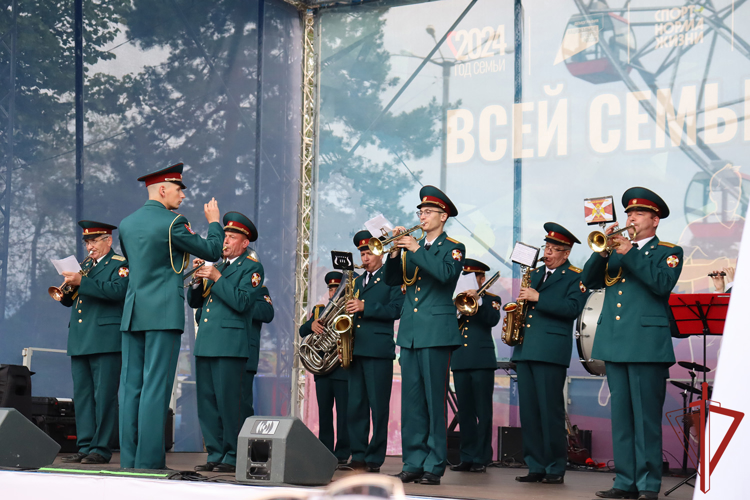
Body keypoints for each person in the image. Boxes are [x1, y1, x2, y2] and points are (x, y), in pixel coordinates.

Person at [118, 162, 224, 469]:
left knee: (131, 387)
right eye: (179, 189)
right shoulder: (173, 223)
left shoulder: (126, 224)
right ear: (162, 189)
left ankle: (129, 460)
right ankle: (149, 461)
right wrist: (214, 221)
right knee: (156, 385)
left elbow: (138, 264)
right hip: (162, 312)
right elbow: (212, 249)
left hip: (133, 311)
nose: (182, 196)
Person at [582, 188, 683, 500]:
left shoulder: (668, 251)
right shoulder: (614, 251)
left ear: (654, 220)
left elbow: (661, 284)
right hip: (614, 343)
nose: (630, 219)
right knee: (622, 419)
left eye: (638, 214)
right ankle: (624, 482)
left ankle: (649, 484)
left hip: (646, 346)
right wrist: (602, 252)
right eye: (628, 214)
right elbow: (589, 280)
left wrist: (630, 252)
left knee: (645, 420)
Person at [384, 185, 465, 486]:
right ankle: (413, 462)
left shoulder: (453, 247)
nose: (422, 216)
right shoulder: (411, 246)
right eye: (420, 211)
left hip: (437, 333)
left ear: (443, 217)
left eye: (428, 212)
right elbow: (392, 280)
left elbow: (445, 275)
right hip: (411, 334)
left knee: (434, 402)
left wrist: (415, 249)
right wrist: (394, 250)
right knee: (412, 404)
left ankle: (434, 464)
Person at [511, 223, 588, 485]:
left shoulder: (575, 276)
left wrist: (537, 298)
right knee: (530, 412)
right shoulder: (533, 274)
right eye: (546, 247)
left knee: (550, 411)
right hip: (526, 349)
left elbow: (572, 308)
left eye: (554, 249)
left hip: (550, 352)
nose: (548, 253)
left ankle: (555, 467)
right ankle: (535, 465)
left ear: (566, 254)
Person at [187, 211, 265, 473]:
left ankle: (233, 455)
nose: (226, 241)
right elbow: (195, 303)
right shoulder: (217, 267)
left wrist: (217, 279)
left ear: (245, 243)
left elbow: (242, 302)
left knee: (230, 403)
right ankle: (216, 453)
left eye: (232, 237)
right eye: (225, 236)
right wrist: (197, 281)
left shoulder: (252, 268)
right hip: (207, 342)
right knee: (208, 403)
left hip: (231, 346)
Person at [58, 221, 128, 465]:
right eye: (87, 242)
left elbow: (118, 292)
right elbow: (70, 302)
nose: (89, 247)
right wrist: (67, 289)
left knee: (105, 395)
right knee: (83, 396)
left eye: (94, 241)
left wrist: (82, 282)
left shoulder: (120, 265)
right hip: (80, 338)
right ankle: (85, 445)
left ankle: (101, 448)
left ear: (108, 240)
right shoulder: (85, 266)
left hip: (105, 339)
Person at [345, 230, 404, 473]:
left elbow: (396, 310)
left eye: (369, 252)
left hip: (378, 350)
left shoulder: (391, 279)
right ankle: (358, 454)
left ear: (379, 253)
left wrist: (365, 306)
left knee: (378, 407)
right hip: (356, 349)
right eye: (362, 253)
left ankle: (374, 457)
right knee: (356, 405)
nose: (365, 257)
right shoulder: (356, 282)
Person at [449, 258, 500, 474]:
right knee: (466, 412)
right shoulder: (454, 300)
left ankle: (482, 457)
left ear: (481, 279)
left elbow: (492, 319)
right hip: (461, 360)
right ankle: (467, 456)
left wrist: (478, 302)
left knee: (483, 412)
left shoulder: (491, 298)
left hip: (481, 361)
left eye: (474, 277)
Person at [299, 271, 350, 464]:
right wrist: (311, 325)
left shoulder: (348, 309)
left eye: (337, 288)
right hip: (322, 371)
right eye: (331, 288)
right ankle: (326, 452)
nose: (334, 291)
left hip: (342, 370)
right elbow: (302, 330)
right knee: (325, 414)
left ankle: (343, 453)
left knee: (344, 414)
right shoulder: (319, 310)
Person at [242, 285, 275, 422]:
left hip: (244, 354)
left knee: (241, 406)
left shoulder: (258, 288)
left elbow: (267, 312)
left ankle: (241, 442)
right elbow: (200, 315)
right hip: (218, 352)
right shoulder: (218, 284)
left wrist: (237, 302)